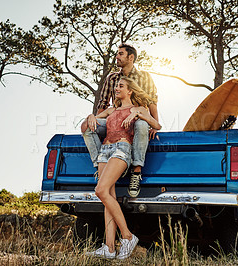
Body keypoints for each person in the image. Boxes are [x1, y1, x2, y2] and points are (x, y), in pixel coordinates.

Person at [81, 77, 161, 259]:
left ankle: (127, 235)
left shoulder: (139, 108)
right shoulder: (111, 110)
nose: (116, 88)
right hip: (104, 151)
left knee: (100, 191)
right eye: (116, 86)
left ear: (130, 90)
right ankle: (109, 248)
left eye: (121, 86)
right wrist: (91, 116)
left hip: (122, 149)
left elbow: (157, 125)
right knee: (109, 197)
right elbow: (92, 121)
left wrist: (137, 115)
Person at [83, 43, 159, 197]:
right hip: (117, 119)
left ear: (131, 57)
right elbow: (103, 103)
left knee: (142, 124)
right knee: (88, 127)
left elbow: (152, 101)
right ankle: (102, 167)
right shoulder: (112, 78)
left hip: (138, 118)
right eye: (117, 54)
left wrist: (154, 125)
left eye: (121, 54)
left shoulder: (144, 77)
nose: (117, 57)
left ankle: (136, 171)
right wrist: (96, 122)